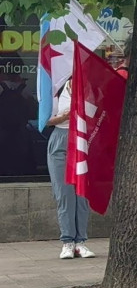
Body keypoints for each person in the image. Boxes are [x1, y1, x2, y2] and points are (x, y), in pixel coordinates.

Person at [45, 80, 94, 259]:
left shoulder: (89, 91)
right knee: (64, 193)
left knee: (81, 194)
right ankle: (67, 241)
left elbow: (97, 115)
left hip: (81, 140)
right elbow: (46, 120)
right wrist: (63, 117)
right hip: (61, 139)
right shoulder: (56, 92)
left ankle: (80, 241)